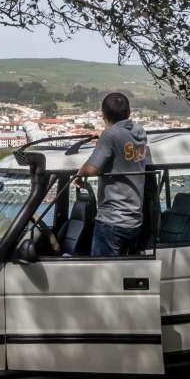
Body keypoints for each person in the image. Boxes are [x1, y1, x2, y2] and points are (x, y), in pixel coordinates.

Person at [74, 92, 148, 256]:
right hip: (135, 220)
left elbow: (92, 169)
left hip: (112, 220)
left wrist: (79, 174)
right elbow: (122, 138)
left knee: (104, 276)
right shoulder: (140, 132)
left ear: (103, 114)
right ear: (128, 112)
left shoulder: (110, 135)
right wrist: (105, 136)